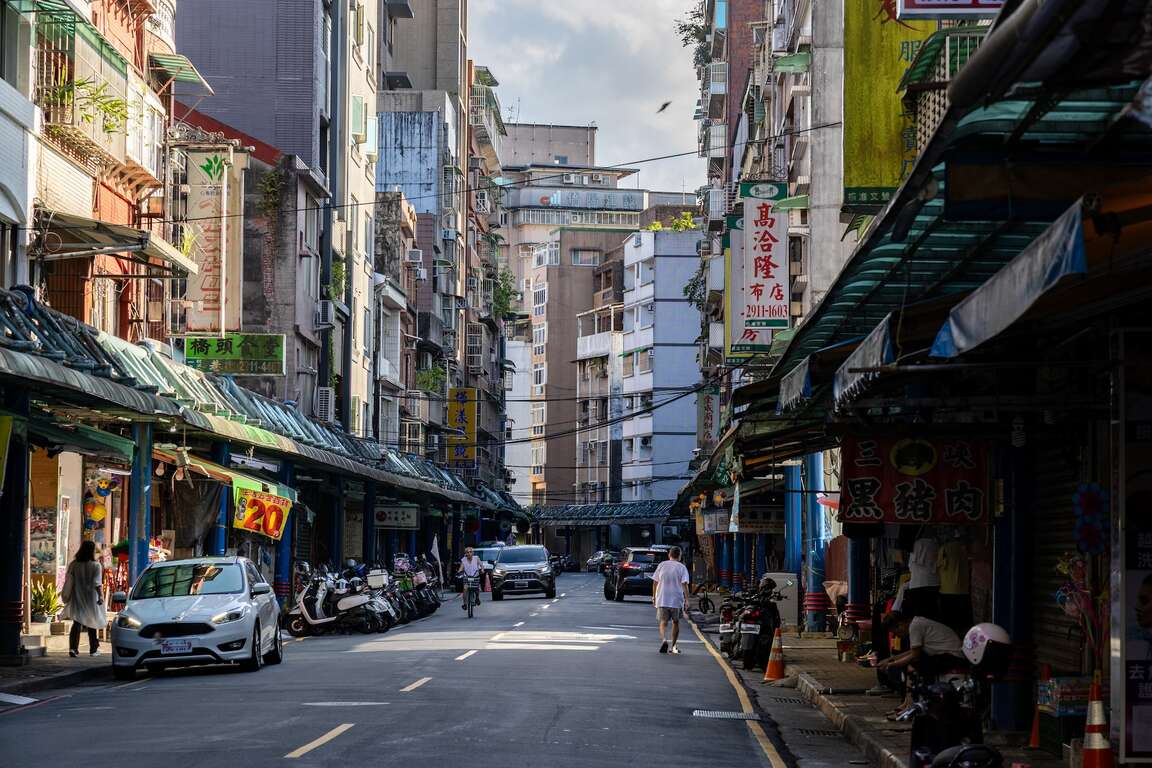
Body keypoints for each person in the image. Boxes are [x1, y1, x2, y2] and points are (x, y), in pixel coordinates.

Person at [877, 611, 968, 682]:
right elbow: (912, 652)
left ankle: (915, 698)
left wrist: (890, 664)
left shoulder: (915, 626)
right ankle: (909, 700)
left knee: (909, 665)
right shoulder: (916, 623)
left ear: (900, 625)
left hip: (952, 657)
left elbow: (914, 656)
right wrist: (889, 660)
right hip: (949, 656)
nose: (897, 636)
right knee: (908, 663)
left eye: (895, 632)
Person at [61, 540, 104, 658]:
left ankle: (73, 648)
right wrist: (100, 596)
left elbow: (68, 580)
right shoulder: (96, 565)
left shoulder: (74, 564)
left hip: (77, 595)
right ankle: (93, 649)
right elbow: (97, 583)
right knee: (92, 622)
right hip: (91, 597)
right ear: (92, 551)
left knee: (77, 622)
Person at [652, 546, 690, 655]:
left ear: (669, 554)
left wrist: (654, 596)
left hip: (662, 598)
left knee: (663, 622)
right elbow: (684, 584)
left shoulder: (662, 565)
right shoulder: (682, 567)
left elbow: (655, 582)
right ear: (679, 556)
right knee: (676, 622)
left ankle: (664, 640)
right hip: (676, 600)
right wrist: (687, 599)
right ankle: (673, 646)